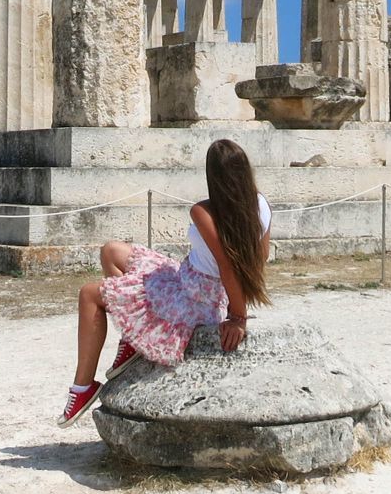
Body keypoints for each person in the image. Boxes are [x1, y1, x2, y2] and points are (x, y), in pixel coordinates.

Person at [57, 137, 272, 427]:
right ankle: (135, 337)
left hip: (192, 298)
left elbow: (228, 267)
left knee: (89, 294)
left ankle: (82, 389)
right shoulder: (261, 205)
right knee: (111, 251)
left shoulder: (203, 211)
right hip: (187, 281)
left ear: (213, 177)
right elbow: (259, 259)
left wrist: (238, 317)